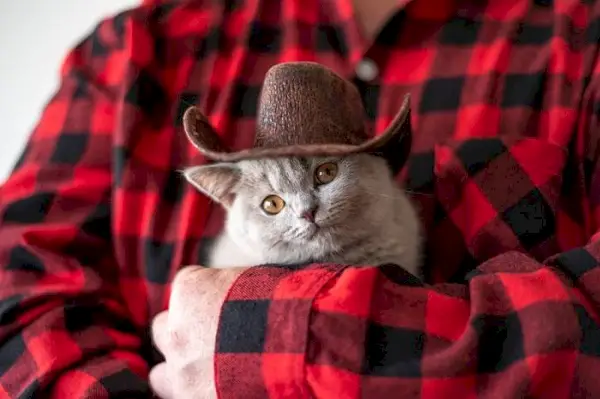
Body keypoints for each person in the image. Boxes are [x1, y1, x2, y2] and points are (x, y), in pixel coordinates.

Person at [1, 0, 599, 397]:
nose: (306, 210)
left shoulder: (580, 35)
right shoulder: (131, 53)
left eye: (324, 177)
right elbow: (16, 290)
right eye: (273, 203)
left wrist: (266, 342)